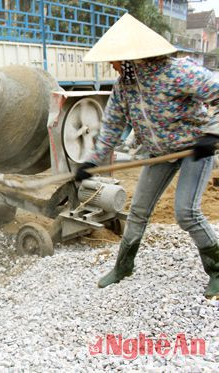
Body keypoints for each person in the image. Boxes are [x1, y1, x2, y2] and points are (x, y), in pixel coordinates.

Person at [75, 14, 219, 298]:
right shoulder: (123, 89)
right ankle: (124, 266)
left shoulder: (178, 73)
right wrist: (91, 161)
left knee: (186, 212)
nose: (111, 65)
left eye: (115, 60)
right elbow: (112, 128)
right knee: (138, 210)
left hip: (194, 148)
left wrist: (212, 134)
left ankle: (217, 270)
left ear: (130, 59)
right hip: (158, 153)